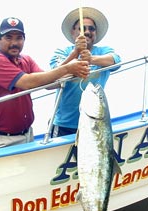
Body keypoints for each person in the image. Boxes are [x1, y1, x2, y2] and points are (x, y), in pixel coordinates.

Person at [0, 17, 90, 149]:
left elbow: (50, 83)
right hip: (2, 140)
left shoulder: (25, 60)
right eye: (8, 38)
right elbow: (28, 82)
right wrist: (68, 68)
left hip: (27, 135)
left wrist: (75, 53)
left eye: (19, 38)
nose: (14, 43)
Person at [50, 7, 121, 137]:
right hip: (64, 125)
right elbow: (53, 76)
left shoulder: (104, 51)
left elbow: (116, 61)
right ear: (73, 32)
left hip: (94, 123)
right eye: (82, 28)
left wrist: (91, 59)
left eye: (91, 29)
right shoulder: (62, 52)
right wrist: (75, 53)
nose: (87, 32)